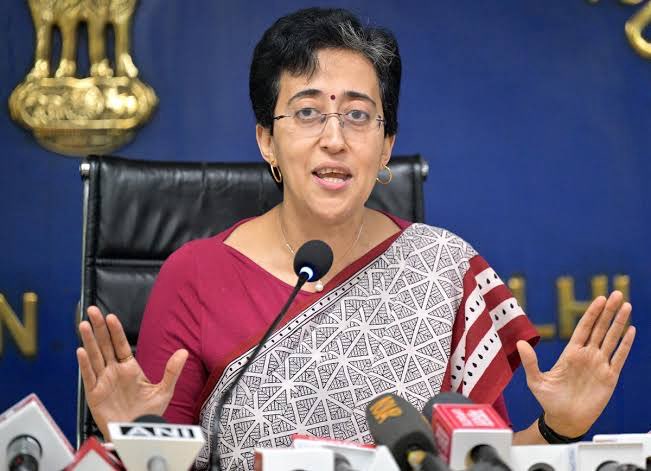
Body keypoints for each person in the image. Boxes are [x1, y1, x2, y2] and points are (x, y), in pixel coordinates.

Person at [76, 7, 636, 471]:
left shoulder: (444, 270)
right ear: (267, 140)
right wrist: (134, 439)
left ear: (386, 145)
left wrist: (559, 428)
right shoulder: (195, 275)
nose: (334, 139)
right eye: (307, 112)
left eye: (358, 115)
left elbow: (484, 464)